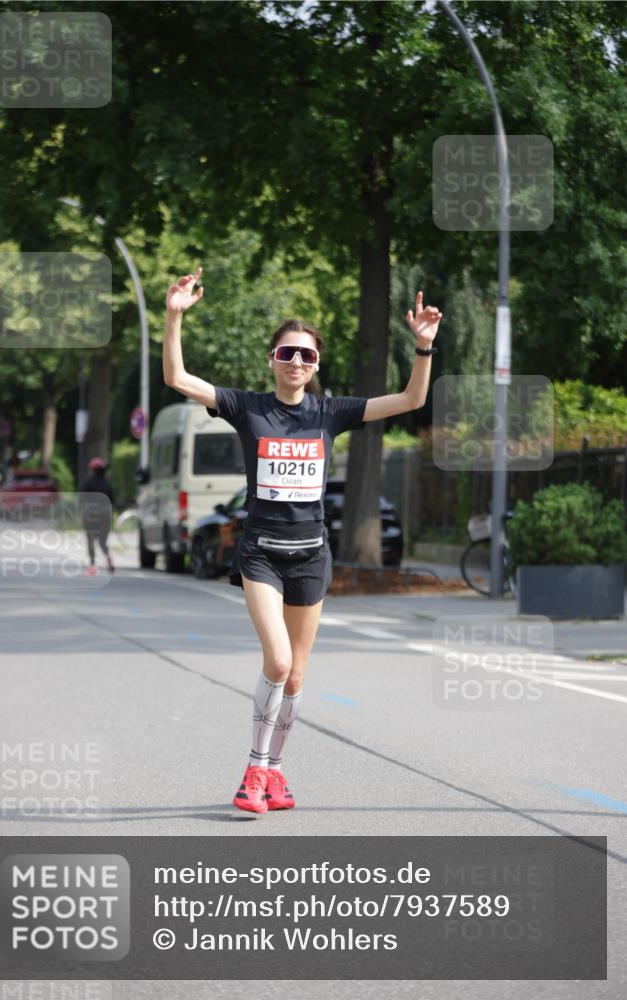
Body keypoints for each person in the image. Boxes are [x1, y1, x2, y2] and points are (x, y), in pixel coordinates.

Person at [163, 266, 442, 813]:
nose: (296, 362)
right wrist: (174, 317)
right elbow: (177, 377)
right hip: (261, 554)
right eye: (287, 353)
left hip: (311, 555)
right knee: (277, 659)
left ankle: (275, 771)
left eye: (306, 355)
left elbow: (412, 399)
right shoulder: (247, 408)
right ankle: (254, 768)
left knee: (297, 673)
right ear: (272, 359)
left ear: (316, 365)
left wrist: (423, 347)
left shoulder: (329, 413)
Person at [80, 457, 115, 575]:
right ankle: (108, 557)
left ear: (92, 470)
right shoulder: (107, 484)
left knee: (91, 541)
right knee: (102, 542)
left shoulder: (88, 483)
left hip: (92, 515)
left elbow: (82, 500)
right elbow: (112, 502)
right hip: (105, 516)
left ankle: (92, 566)